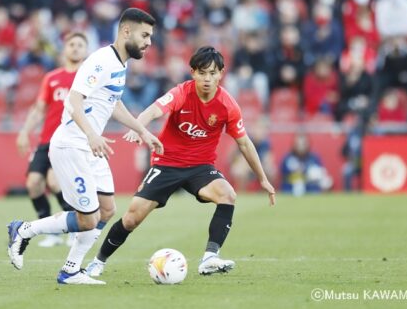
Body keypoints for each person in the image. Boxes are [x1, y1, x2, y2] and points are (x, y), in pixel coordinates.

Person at [84, 46, 276, 278]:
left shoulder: (228, 105)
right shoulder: (181, 92)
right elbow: (154, 110)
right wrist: (138, 127)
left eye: (213, 73)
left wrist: (263, 179)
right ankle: (98, 261)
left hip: (201, 167)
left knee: (228, 195)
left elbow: (244, 144)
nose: (207, 79)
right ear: (192, 72)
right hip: (167, 163)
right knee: (132, 217)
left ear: (221, 74)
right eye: (202, 73)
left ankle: (209, 258)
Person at [7, 8, 164, 285]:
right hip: (72, 145)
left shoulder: (121, 64)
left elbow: (113, 103)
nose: (148, 42)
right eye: (144, 35)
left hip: (89, 146)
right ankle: (24, 229)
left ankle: (70, 270)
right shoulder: (100, 61)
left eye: (150, 36)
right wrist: (92, 135)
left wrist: (142, 130)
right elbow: (73, 101)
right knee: (88, 219)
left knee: (107, 210)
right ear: (126, 31)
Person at [16, 32, 88, 248]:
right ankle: (52, 232)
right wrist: (24, 132)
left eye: (80, 45)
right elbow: (39, 109)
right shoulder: (52, 77)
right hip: (46, 139)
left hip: (68, 140)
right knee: (33, 184)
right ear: (64, 49)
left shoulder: (86, 78)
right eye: (71, 44)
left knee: (55, 181)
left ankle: (73, 226)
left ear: (86, 51)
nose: (75, 48)